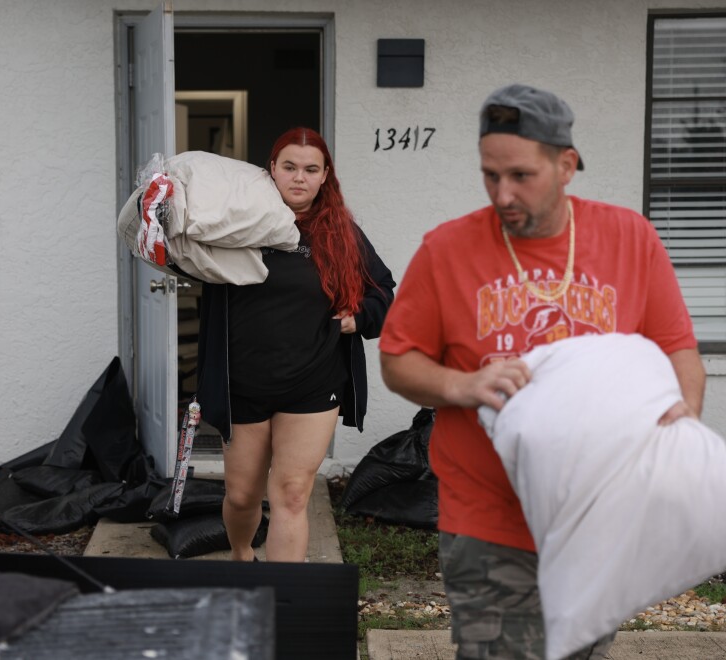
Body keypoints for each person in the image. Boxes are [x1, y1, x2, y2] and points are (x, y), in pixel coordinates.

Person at [378, 84, 706, 659]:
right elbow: (397, 360)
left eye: (521, 176)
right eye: (489, 175)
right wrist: (463, 385)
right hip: (489, 518)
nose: (502, 194)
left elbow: (678, 348)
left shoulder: (630, 238)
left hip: (597, 517)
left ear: (567, 165)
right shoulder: (447, 249)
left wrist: (680, 421)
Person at [194, 127, 395, 563]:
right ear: (271, 170)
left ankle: (283, 603)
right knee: (243, 495)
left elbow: (383, 290)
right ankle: (243, 555)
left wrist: (357, 320)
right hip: (242, 382)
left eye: (310, 169)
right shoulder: (232, 223)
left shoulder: (341, 235)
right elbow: (183, 252)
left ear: (326, 177)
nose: (298, 177)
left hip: (312, 382)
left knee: (290, 494)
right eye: (289, 167)